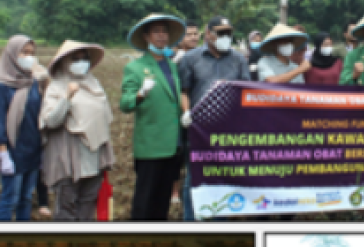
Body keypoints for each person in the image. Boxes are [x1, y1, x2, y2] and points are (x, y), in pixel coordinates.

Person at [177, 16, 251, 220]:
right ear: (208, 34)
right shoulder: (191, 58)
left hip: (228, 130)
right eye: (221, 32)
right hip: (199, 129)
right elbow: (184, 90)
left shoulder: (238, 59)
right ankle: (192, 222)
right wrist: (185, 111)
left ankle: (220, 222)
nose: (225, 37)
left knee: (223, 177)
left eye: (228, 32)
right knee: (194, 178)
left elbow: (247, 91)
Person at [37, 41, 114, 221]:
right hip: (69, 160)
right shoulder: (56, 87)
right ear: (64, 62)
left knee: (87, 205)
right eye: (75, 59)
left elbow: (103, 119)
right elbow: (50, 121)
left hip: (94, 158)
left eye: (85, 58)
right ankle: (65, 245)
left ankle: (83, 244)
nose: (81, 63)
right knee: (66, 207)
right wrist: (67, 97)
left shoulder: (94, 84)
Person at [120, 15, 185, 221]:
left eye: (164, 31)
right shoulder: (136, 67)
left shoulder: (173, 66)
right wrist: (139, 94)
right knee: (144, 199)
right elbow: (125, 104)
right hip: (151, 144)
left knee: (163, 199)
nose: (161, 35)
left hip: (173, 142)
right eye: (156, 31)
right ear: (147, 36)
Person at [0, 36, 44, 223]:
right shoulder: (3, 85)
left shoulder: (33, 82)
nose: (29, 57)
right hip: (13, 152)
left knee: (26, 199)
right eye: (24, 52)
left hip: (33, 150)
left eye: (32, 54)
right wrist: (3, 153)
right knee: (10, 199)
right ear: (11, 54)